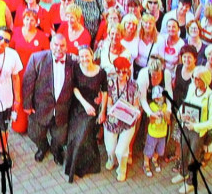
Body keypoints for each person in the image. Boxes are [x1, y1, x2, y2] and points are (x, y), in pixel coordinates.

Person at [21, 33, 77, 164]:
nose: (58, 48)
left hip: (62, 109)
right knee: (35, 134)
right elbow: (28, 82)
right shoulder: (37, 58)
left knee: (60, 137)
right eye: (56, 45)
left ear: (66, 48)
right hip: (40, 107)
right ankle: (43, 147)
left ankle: (56, 150)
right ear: (51, 45)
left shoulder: (73, 62)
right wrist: (27, 105)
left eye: (62, 46)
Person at [62, 45, 107, 183]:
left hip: (92, 108)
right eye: (81, 56)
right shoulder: (76, 68)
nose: (84, 59)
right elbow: (74, 88)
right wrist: (84, 104)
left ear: (92, 56)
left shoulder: (101, 72)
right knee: (74, 136)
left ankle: (84, 166)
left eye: (86, 55)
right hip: (78, 105)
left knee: (82, 137)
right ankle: (71, 167)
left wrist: (102, 111)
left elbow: (105, 92)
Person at [172, 66, 212, 194]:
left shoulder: (211, 97)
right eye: (193, 78)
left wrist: (196, 126)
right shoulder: (192, 87)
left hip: (198, 132)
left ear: (205, 80)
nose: (194, 81)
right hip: (186, 126)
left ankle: (191, 182)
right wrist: (181, 113)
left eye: (198, 79)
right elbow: (186, 102)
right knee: (183, 151)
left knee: (193, 157)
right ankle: (183, 173)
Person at [8, 8, 50, 134]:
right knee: (17, 96)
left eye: (32, 19)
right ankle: (17, 123)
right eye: (27, 19)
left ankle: (31, 126)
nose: (29, 22)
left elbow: (47, 57)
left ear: (36, 22)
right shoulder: (15, 32)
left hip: (34, 75)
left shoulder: (42, 37)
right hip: (17, 72)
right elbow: (9, 51)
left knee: (30, 98)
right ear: (23, 19)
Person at [103, 56, 140, 181]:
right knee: (110, 149)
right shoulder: (110, 82)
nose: (121, 74)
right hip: (113, 120)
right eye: (118, 71)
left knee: (120, 151)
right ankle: (111, 160)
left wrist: (135, 112)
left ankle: (122, 169)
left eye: (123, 71)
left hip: (127, 122)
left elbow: (136, 104)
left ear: (128, 71)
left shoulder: (134, 85)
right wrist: (111, 109)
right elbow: (108, 101)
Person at [142, 85, 170, 177]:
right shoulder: (151, 106)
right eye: (156, 98)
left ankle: (154, 159)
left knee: (160, 150)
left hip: (162, 133)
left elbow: (169, 122)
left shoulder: (166, 106)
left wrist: (165, 115)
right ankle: (146, 163)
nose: (159, 99)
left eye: (160, 97)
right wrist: (155, 115)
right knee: (149, 149)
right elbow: (150, 120)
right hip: (153, 133)